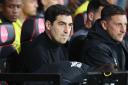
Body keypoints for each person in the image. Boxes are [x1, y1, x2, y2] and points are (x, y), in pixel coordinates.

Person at [17, 4, 90, 84]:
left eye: (70, 25)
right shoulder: (37, 51)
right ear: (48, 25)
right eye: (61, 24)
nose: (67, 30)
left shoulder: (62, 45)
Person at [81, 4, 128, 72]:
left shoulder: (120, 40)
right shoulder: (96, 48)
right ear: (104, 25)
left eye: (125, 24)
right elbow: (115, 78)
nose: (123, 30)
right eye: (118, 24)